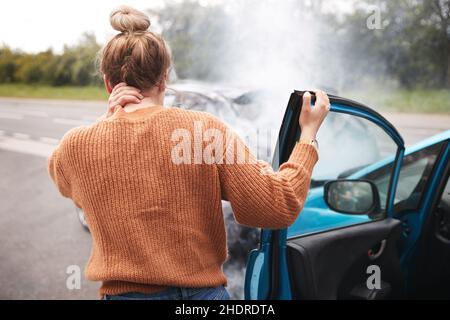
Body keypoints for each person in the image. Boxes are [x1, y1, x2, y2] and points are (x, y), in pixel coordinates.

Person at [47, 5, 329, 300]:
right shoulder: (205, 131)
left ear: (107, 82)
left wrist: (108, 120)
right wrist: (307, 137)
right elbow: (277, 205)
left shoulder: (76, 145)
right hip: (201, 297)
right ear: (164, 79)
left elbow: (62, 176)